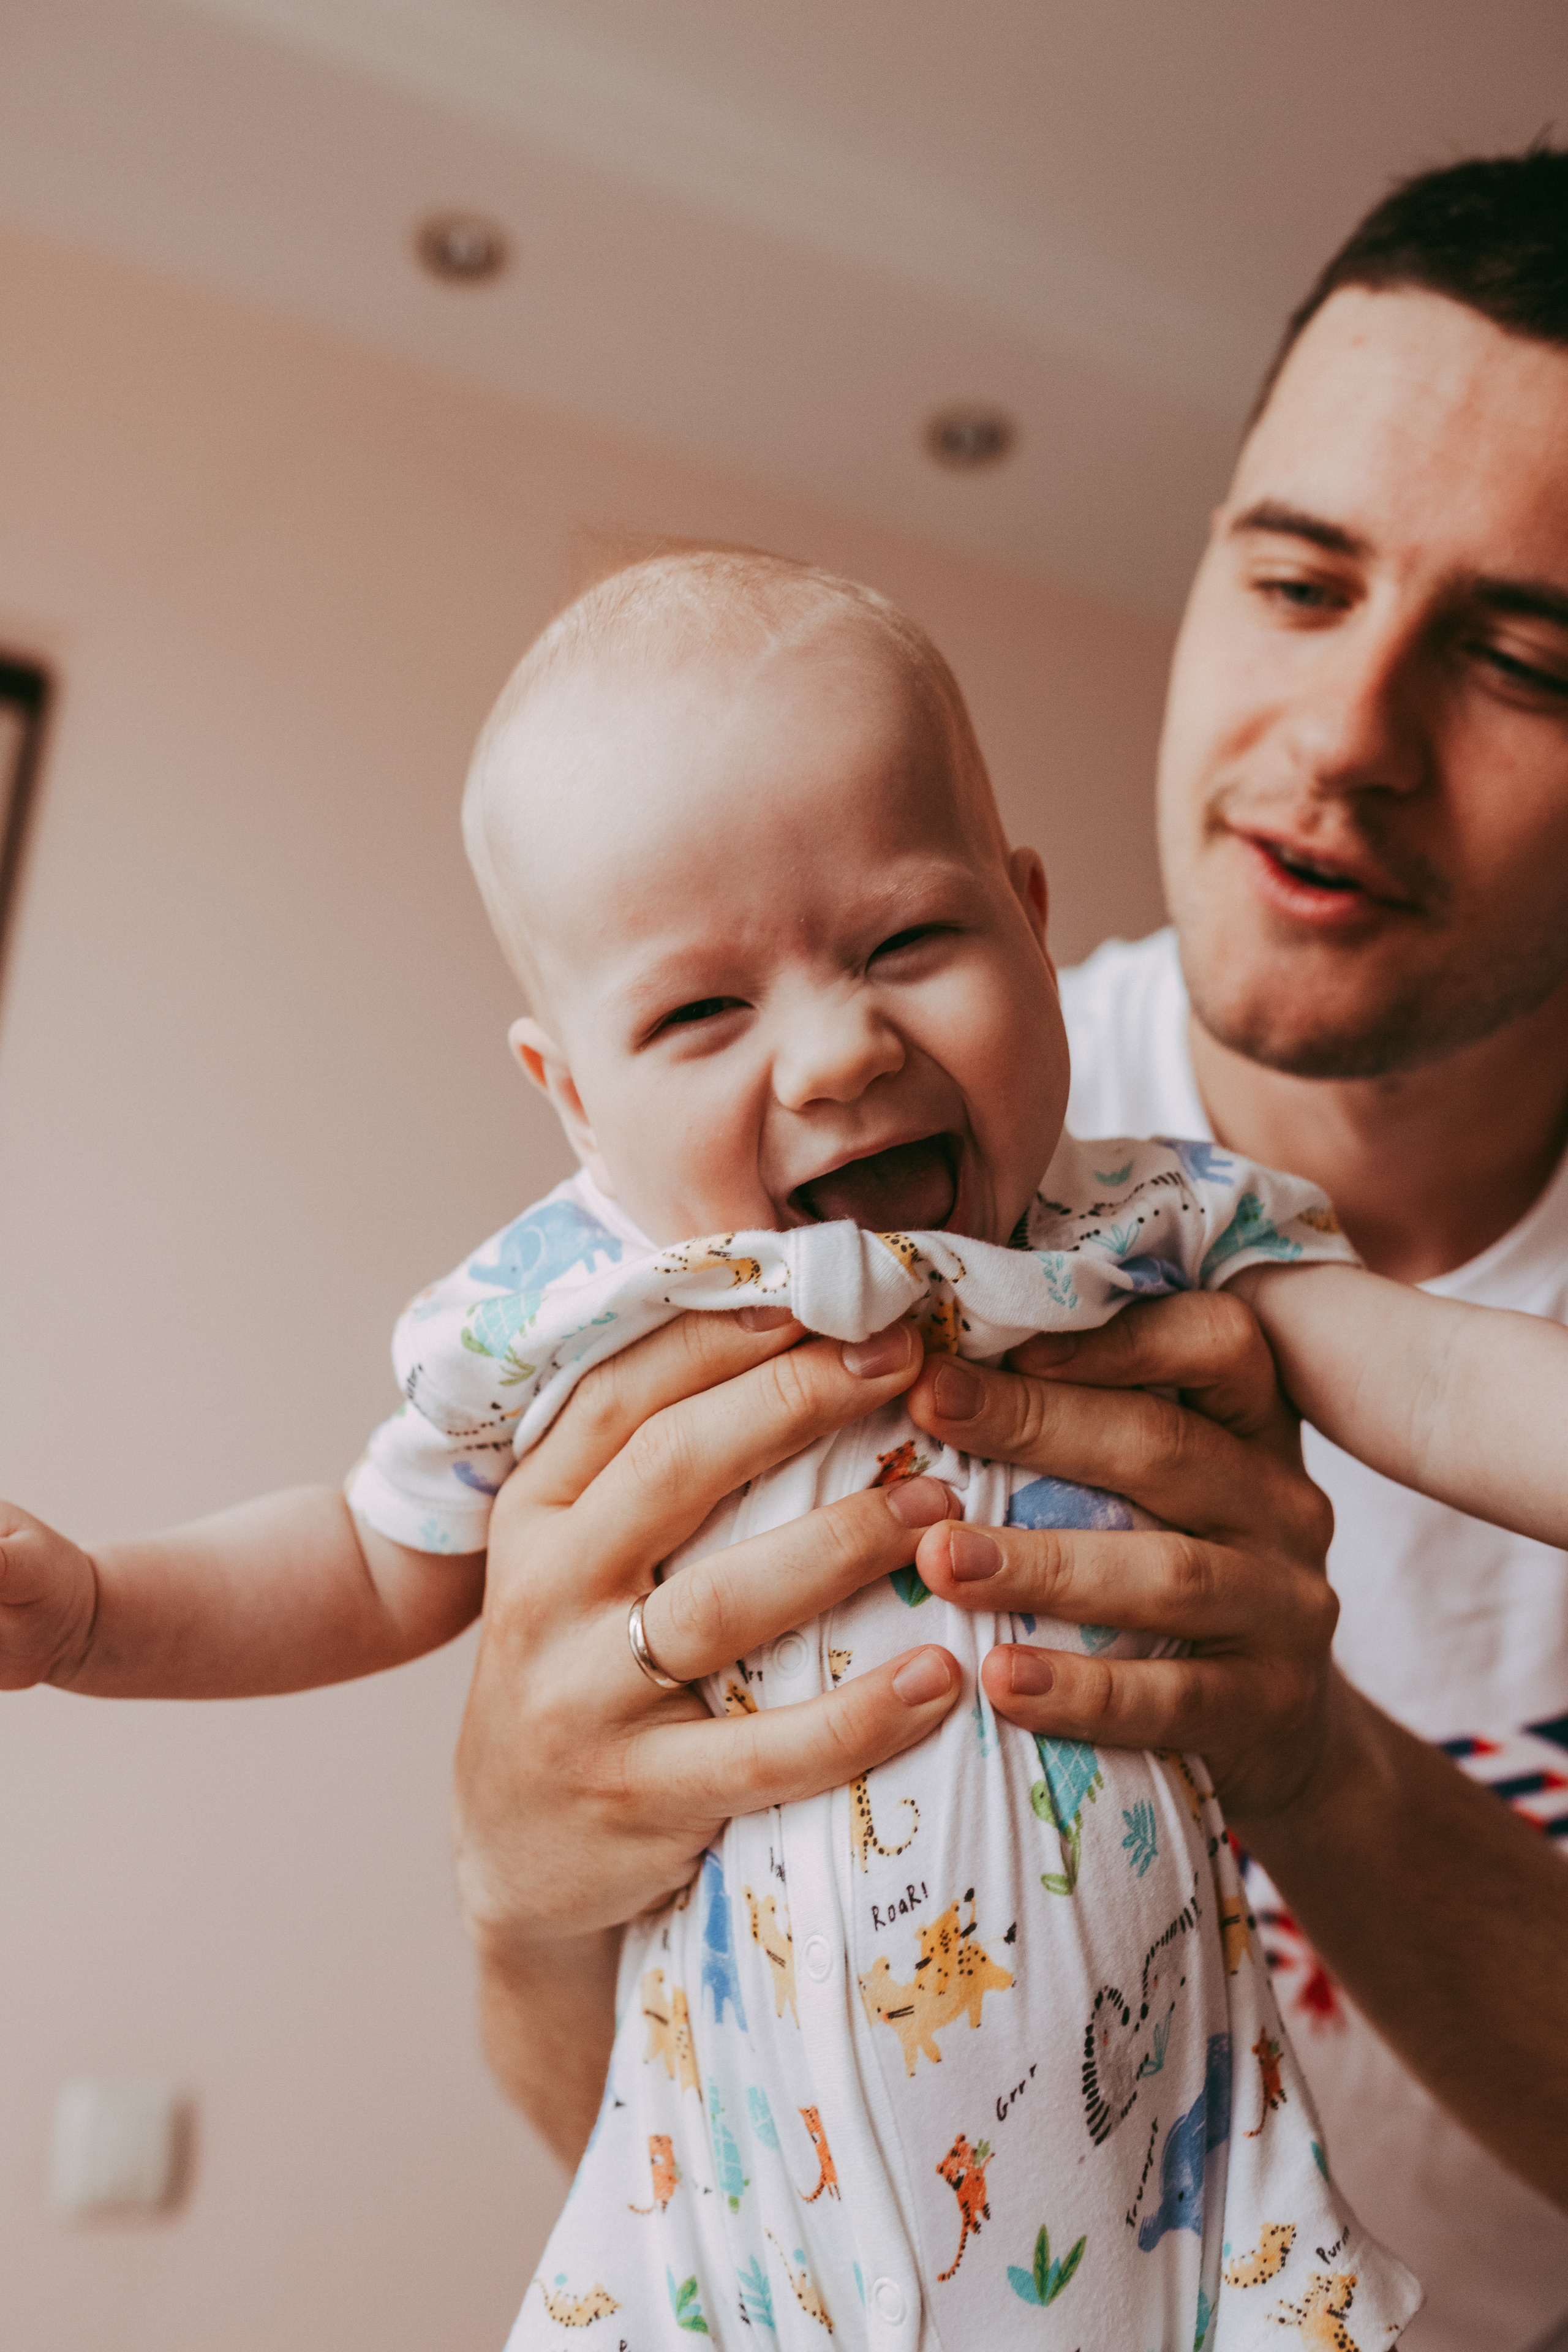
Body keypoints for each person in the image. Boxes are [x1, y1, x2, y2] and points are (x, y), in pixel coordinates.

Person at [451, 146, 1568, 2352]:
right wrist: (520, 1869)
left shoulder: (1176, 1234)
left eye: (1526, 655)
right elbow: (632, 2151)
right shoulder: (747, 1228)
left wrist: (1307, 1758)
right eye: (1298, 579)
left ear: (1015, 903)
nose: (1346, 737)